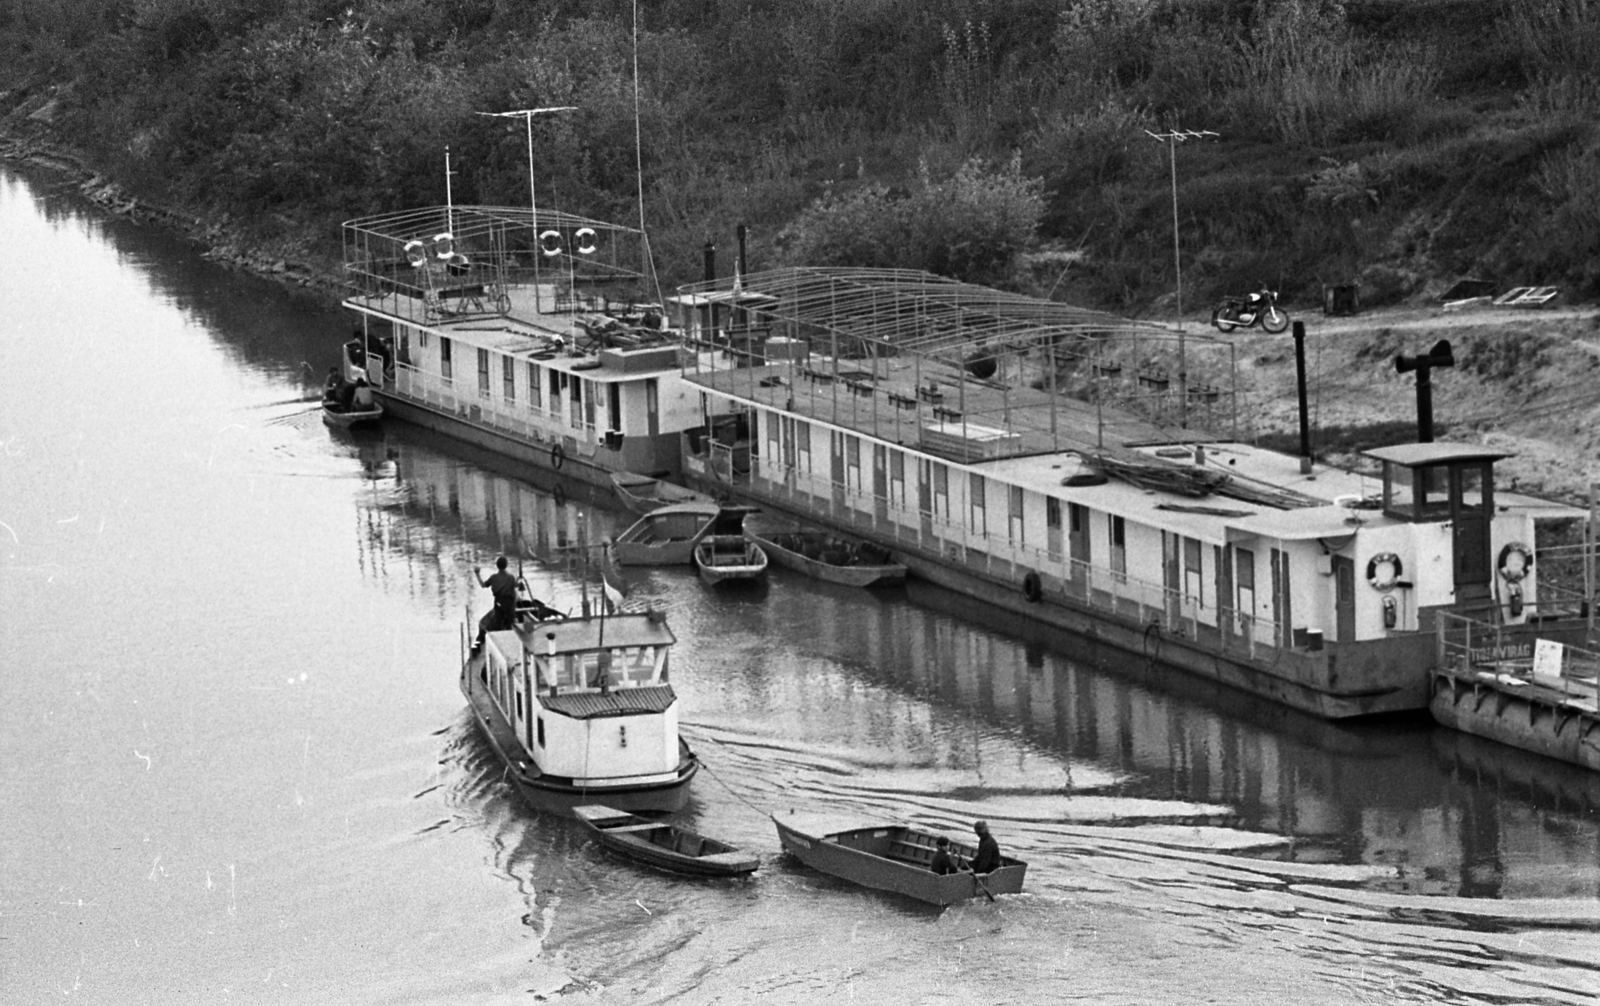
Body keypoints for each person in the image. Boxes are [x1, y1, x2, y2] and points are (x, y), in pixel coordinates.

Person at [472, 557, 519, 651]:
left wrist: (477, 574)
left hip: (499, 604)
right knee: (511, 624)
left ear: (497, 566)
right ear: (506, 565)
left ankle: (498, 646)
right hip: (509, 605)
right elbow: (516, 589)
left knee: (498, 624)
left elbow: (483, 585)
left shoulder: (493, 578)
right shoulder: (511, 577)